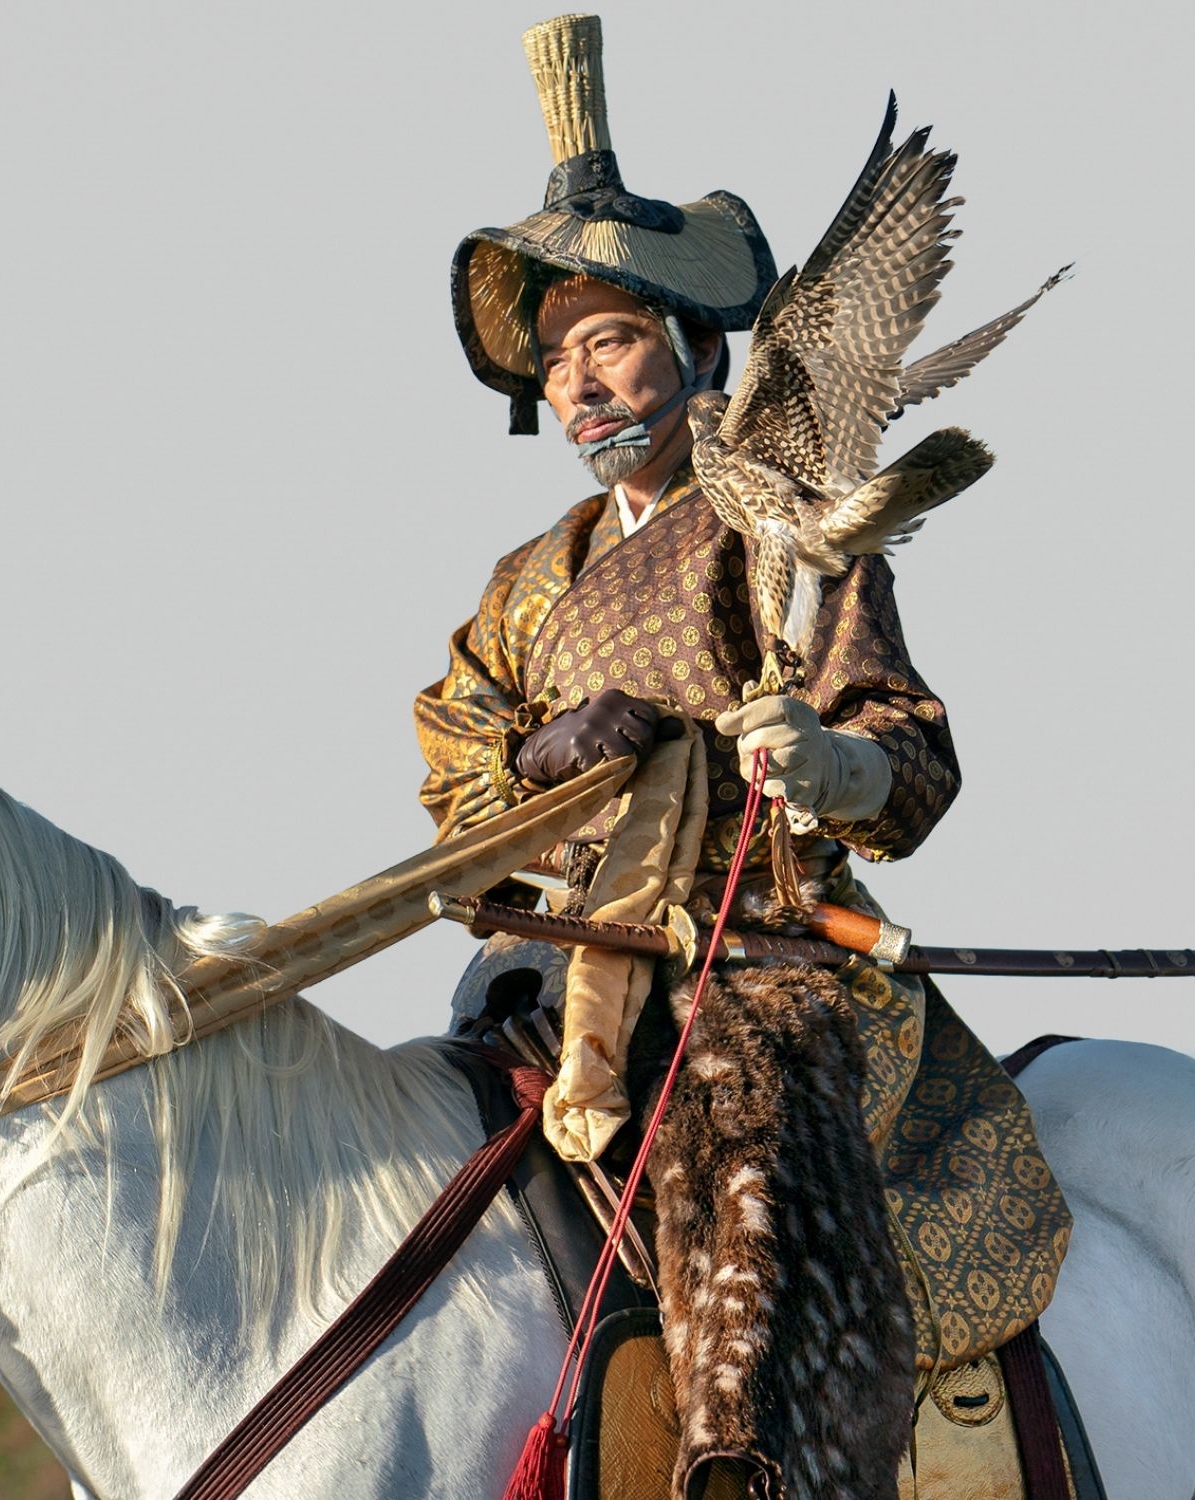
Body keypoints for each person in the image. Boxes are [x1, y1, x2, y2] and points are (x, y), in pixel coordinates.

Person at [416, 13, 1067, 1384]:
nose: (583, 383)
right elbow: (455, 777)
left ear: (692, 346)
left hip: (766, 948)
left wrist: (831, 761)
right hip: (553, 959)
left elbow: (914, 757)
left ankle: (755, 1458)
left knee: (739, 1176)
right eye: (557, 362)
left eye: (610, 342)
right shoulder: (523, 586)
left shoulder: (784, 512)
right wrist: (544, 752)